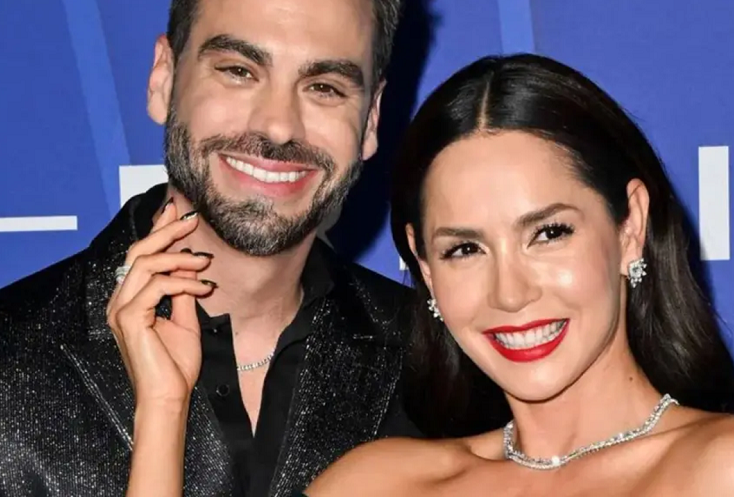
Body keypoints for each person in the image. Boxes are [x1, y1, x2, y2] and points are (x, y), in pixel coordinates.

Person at [118, 53, 734, 495]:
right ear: (424, 268)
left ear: (629, 226)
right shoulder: (377, 483)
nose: (510, 293)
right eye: (465, 248)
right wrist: (164, 408)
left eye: (548, 233)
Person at [0, 0, 453, 495]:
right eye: (239, 71)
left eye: (324, 87)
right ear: (164, 78)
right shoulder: (12, 355)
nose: (278, 127)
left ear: (370, 119)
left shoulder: (444, 365)